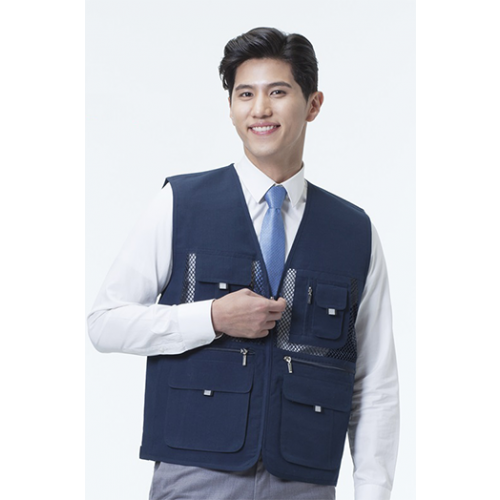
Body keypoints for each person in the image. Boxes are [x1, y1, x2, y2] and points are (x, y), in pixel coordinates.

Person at [88, 27, 399, 500]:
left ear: (313, 104)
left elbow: (375, 382)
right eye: (245, 94)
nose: (260, 109)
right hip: (195, 476)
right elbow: (104, 323)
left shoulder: (355, 232)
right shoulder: (180, 204)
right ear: (231, 107)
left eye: (278, 92)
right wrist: (211, 317)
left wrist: (373, 492)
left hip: (305, 481)